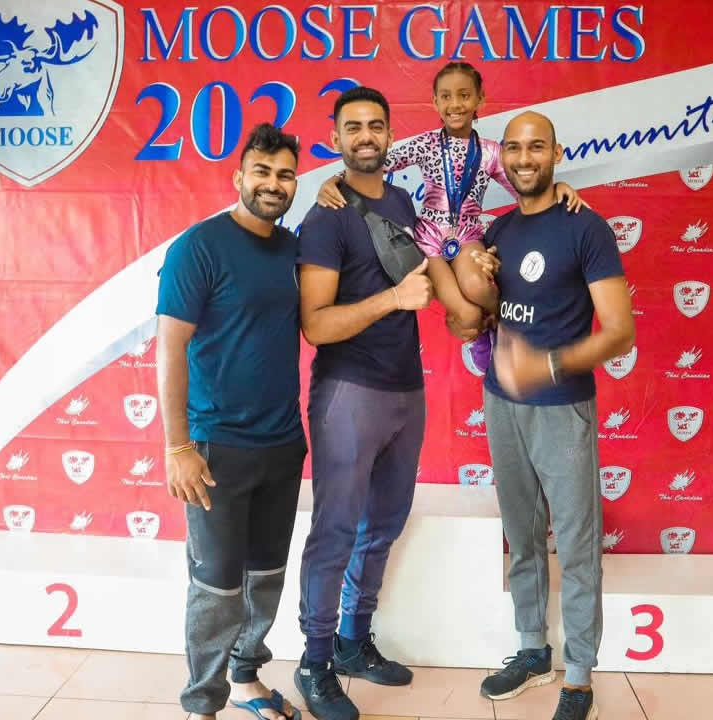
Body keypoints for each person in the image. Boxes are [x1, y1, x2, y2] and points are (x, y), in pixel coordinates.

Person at [476, 111, 635, 720]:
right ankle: (532, 649)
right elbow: (486, 310)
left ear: (556, 153)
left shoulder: (587, 228)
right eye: (514, 148)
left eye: (536, 147)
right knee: (521, 536)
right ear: (503, 157)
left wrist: (547, 366)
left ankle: (579, 676)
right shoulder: (498, 229)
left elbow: (619, 332)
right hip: (501, 403)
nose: (524, 159)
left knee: (576, 544)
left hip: (562, 408)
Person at [156, 123, 308, 720]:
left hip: (282, 444)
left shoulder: (293, 249)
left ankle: (246, 680)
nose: (274, 184)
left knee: (265, 574)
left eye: (285, 175)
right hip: (215, 448)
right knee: (217, 584)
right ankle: (202, 704)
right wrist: (178, 447)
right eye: (262, 172)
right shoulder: (198, 247)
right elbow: (170, 348)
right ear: (239, 176)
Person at [292, 86, 435, 720]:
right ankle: (315, 661)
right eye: (353, 127)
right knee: (336, 530)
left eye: (376, 125)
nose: (366, 136)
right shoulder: (325, 217)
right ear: (336, 138)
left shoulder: (401, 201)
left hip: (406, 389)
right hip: (349, 391)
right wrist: (394, 300)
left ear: (390, 134)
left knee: (383, 525)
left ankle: (353, 640)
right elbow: (316, 325)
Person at [315, 62, 584, 362]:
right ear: (435, 102)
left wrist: (557, 188)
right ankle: (482, 332)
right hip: (429, 240)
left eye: (464, 95)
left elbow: (525, 188)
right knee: (467, 315)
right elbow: (376, 162)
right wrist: (336, 179)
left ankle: (511, 327)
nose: (455, 104)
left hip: (468, 235)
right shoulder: (426, 144)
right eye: (446, 96)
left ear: (480, 99)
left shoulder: (492, 152)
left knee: (478, 287)